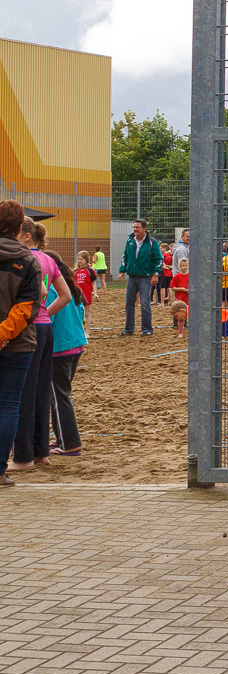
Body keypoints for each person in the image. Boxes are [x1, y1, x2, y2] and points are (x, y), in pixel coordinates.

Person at [13, 219, 72, 472]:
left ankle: (23, 457)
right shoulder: (48, 259)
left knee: (23, 393)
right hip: (46, 327)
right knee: (41, 392)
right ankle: (41, 453)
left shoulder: (25, 259)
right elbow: (66, 295)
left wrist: (35, 313)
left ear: (26, 236)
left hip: (30, 327)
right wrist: (45, 312)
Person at [0, 200, 41, 486]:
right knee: (8, 405)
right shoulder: (28, 261)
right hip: (17, 344)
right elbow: (27, 307)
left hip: (11, 340)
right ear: (19, 226)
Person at [45, 248, 87, 458]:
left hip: (59, 348)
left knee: (59, 394)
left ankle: (70, 443)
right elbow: (80, 315)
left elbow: (47, 319)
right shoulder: (72, 287)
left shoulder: (52, 288)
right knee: (58, 394)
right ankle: (62, 437)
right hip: (75, 345)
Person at [119, 219, 161, 336]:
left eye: (137, 227)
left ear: (144, 229)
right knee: (129, 303)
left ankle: (147, 329)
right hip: (132, 277)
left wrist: (155, 274)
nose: (135, 229)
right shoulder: (130, 240)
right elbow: (125, 256)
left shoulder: (152, 242)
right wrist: (122, 271)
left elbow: (158, 259)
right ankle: (129, 329)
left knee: (145, 303)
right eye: (134, 227)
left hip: (145, 277)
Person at [72, 251, 95, 323]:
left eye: (81, 259)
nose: (79, 261)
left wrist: (95, 292)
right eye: (78, 259)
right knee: (78, 313)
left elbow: (93, 282)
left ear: (86, 260)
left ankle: (87, 332)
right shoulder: (75, 271)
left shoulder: (90, 270)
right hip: (78, 295)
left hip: (87, 294)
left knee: (87, 313)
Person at [171, 258, 190, 333]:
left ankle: (185, 324)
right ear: (180, 266)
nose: (184, 267)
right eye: (183, 266)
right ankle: (176, 324)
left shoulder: (190, 276)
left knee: (187, 312)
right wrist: (181, 289)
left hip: (188, 298)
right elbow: (173, 287)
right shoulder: (176, 276)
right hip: (180, 298)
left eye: (186, 265)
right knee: (178, 312)